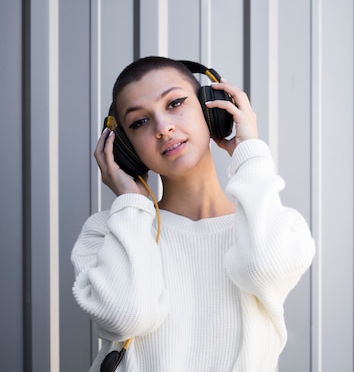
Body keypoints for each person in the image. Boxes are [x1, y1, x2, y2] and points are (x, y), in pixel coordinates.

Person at [71, 56, 316, 372]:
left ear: (213, 109)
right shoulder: (108, 232)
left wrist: (250, 151)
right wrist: (131, 204)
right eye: (139, 122)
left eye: (174, 103)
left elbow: (262, 267)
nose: (163, 127)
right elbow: (128, 316)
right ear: (126, 149)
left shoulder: (273, 225)